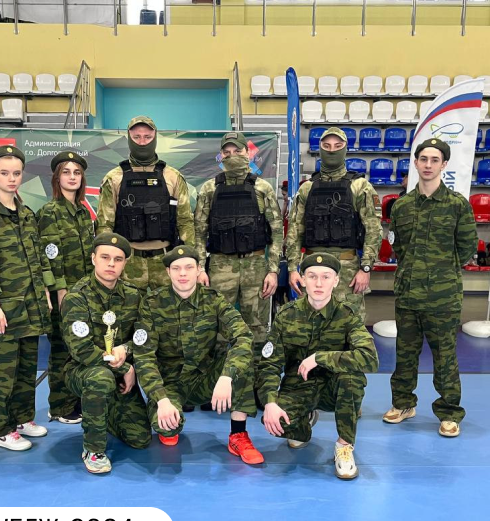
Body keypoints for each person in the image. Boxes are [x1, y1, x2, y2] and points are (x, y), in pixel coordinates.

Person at [133, 245, 264, 465]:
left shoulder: (213, 300)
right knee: (167, 428)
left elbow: (243, 336)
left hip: (205, 379)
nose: (183, 274)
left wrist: (226, 377)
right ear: (168, 272)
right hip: (169, 385)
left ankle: (238, 435)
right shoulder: (152, 304)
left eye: (188, 267)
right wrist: (161, 399)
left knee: (242, 363)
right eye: (176, 268)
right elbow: (144, 356)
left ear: (198, 270)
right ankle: (168, 414)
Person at [383, 138, 477, 437]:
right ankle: (402, 404)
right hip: (408, 294)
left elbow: (466, 248)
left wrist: (440, 272)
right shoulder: (402, 206)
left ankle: (449, 412)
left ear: (444, 165)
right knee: (404, 354)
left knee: (445, 357)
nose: (428, 165)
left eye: (434, 160)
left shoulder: (457, 205)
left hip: (443, 297)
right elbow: (398, 246)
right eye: (423, 159)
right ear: (416, 163)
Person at [257, 253, 379, 480]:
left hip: (335, 386)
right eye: (312, 276)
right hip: (299, 385)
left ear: (336, 280)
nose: (319, 283)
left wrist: (321, 358)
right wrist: (270, 402)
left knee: (351, 379)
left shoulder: (346, 315)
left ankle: (344, 446)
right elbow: (269, 365)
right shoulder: (286, 316)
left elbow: (370, 358)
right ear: (302, 280)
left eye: (326, 277)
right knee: (278, 424)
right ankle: (304, 421)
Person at [0, 145, 54, 451]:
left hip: (31, 305)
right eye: (4, 173)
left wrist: (45, 294)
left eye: (16, 173)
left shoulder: (27, 214)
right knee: (1, 371)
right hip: (3, 308)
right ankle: (0, 429)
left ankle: (21, 418)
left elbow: (39, 258)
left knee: (26, 367)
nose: (11, 178)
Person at [60, 232, 151, 474]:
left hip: (119, 374)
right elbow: (81, 349)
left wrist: (126, 349)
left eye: (118, 259)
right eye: (105, 257)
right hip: (84, 369)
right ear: (93, 259)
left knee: (141, 439)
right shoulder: (77, 297)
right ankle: (93, 449)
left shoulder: (134, 295)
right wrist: (125, 367)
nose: (111, 264)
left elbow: (144, 336)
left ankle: (104, 414)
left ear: (124, 263)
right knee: (100, 379)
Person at [194, 131, 284, 371]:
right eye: (227, 152)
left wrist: (273, 271)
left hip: (256, 266)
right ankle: (217, 377)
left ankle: (254, 376)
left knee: (257, 325)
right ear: (220, 156)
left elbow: (277, 232)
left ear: (248, 153)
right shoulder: (209, 189)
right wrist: (200, 268)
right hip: (221, 265)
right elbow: (199, 232)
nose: (232, 155)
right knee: (218, 323)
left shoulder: (262, 188)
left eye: (237, 151)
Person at [286, 127, 382, 321]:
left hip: (347, 269)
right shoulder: (307, 188)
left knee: (349, 324)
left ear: (345, 149)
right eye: (327, 146)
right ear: (320, 148)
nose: (332, 150)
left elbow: (373, 229)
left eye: (338, 146)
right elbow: (295, 231)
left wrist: (365, 269)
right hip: (312, 267)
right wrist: (292, 268)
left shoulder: (360, 186)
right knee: (310, 324)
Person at [96, 116, 194, 291]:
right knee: (128, 309)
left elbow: (185, 222)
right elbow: (105, 225)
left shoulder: (172, 177)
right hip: (128, 264)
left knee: (168, 309)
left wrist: (190, 261)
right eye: (137, 137)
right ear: (129, 138)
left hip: (166, 263)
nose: (142, 142)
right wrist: (109, 262)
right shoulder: (114, 178)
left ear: (155, 137)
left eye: (147, 137)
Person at [37, 151, 95, 425]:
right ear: (57, 177)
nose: (72, 177)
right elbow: (50, 256)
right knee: (61, 350)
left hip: (83, 294)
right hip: (63, 294)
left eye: (77, 172)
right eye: (66, 172)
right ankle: (59, 406)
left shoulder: (83, 212)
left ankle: (77, 398)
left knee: (80, 347)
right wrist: (61, 292)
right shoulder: (50, 212)